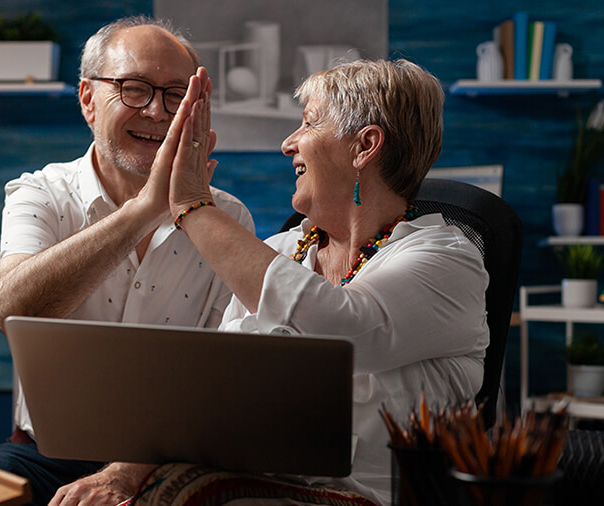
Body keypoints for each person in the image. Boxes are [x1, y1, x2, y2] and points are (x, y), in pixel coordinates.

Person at [54, 59, 489, 505]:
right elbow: (214, 388)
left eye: (308, 123)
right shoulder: (282, 251)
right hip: (255, 484)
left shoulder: (448, 261)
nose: (288, 144)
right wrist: (122, 476)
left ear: (366, 146)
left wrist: (192, 205)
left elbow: (342, 332)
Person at [0, 16, 253, 505]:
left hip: (171, 457)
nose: (156, 111)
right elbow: (12, 310)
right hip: (42, 454)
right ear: (88, 99)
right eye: (134, 89)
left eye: (176, 95)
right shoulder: (39, 194)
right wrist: (145, 209)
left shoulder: (227, 216)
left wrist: (125, 475)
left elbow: (221, 378)